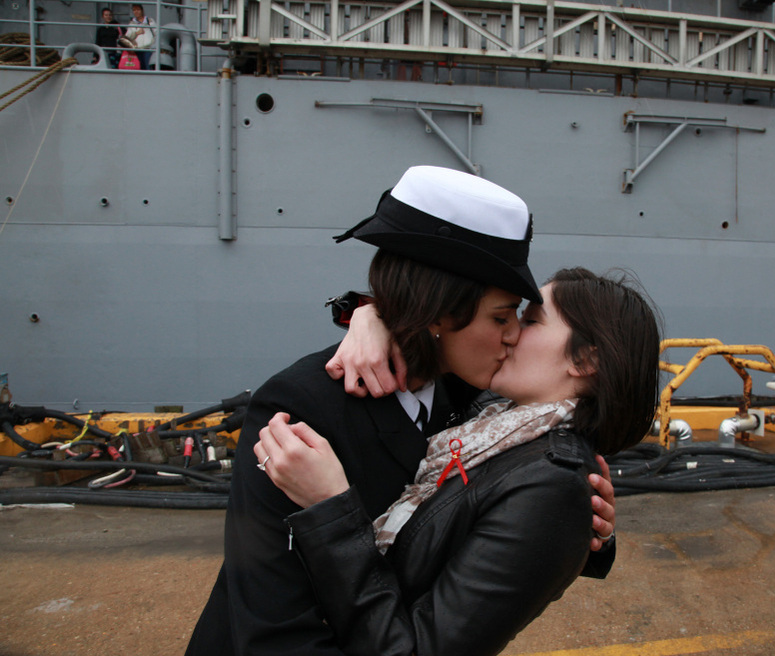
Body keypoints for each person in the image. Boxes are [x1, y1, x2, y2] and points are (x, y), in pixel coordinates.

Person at [186, 166, 619, 655]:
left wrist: (578, 526)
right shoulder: (299, 410)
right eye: (501, 317)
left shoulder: (474, 401)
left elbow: (489, 516)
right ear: (438, 311)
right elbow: (273, 624)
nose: (514, 334)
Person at [255, 266, 661, 656]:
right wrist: (372, 315)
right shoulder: (494, 424)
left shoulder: (552, 486)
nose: (513, 331)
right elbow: (438, 331)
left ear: (585, 360)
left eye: (533, 320)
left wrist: (331, 508)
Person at [121, 4, 156, 70]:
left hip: (149, 49)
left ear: (142, 10)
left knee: (149, 68)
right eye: (134, 10)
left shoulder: (150, 21)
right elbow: (128, 37)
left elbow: (157, 33)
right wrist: (137, 33)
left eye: (138, 10)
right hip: (137, 50)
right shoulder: (132, 23)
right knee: (140, 68)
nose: (136, 12)